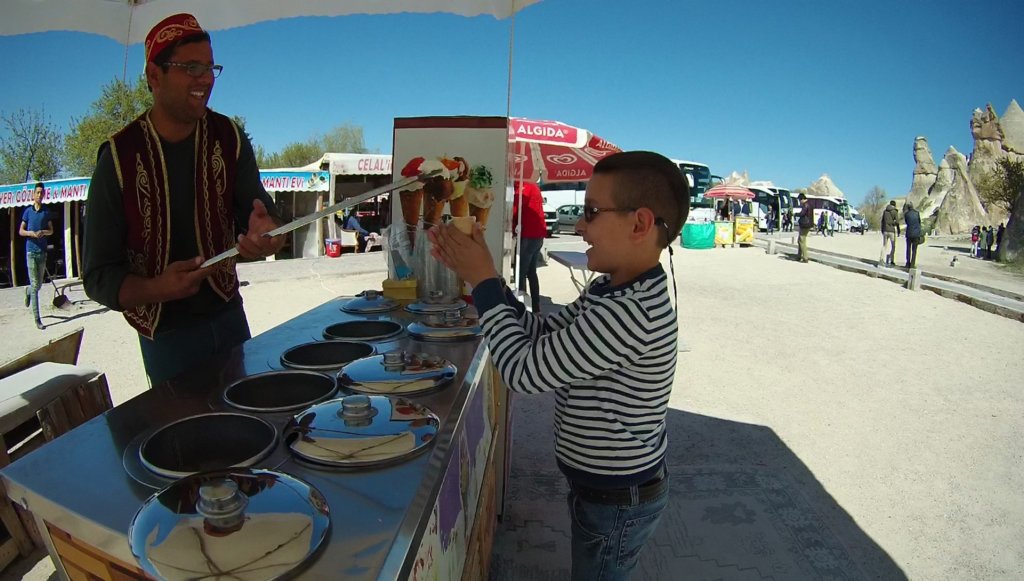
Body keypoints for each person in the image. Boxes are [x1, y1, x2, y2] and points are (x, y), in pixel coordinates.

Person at [428, 151, 688, 580]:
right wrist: (488, 278)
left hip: (618, 500)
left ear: (640, 223)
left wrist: (483, 283)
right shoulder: (608, 289)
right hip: (602, 491)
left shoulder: (629, 313)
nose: (580, 226)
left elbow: (523, 372)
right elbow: (541, 333)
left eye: (591, 212)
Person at [83, 13, 284, 386]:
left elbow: (263, 216)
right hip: (166, 337)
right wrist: (158, 288)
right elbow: (97, 276)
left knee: (245, 425)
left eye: (210, 67)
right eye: (191, 67)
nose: (206, 79)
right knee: (186, 437)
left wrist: (268, 233)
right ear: (154, 76)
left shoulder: (229, 137)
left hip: (229, 315)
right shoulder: (118, 158)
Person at [20, 182, 53, 330]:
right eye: (37, 192)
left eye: (41, 192)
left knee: (38, 285)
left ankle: (27, 291)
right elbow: (21, 231)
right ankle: (37, 318)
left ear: (44, 194)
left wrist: (43, 232)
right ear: (33, 195)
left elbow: (51, 230)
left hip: (42, 252)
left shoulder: (46, 212)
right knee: (35, 285)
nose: (39, 195)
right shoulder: (27, 212)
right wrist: (31, 234)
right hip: (30, 252)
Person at [512, 180, 547, 313]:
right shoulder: (533, 187)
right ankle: (536, 308)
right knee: (531, 272)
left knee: (519, 273)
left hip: (528, 234)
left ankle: (522, 309)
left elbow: (514, 211)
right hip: (539, 234)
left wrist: (510, 228)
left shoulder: (519, 189)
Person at [879, 200, 900, 266]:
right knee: (893, 246)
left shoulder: (885, 211)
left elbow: (882, 221)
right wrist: (898, 230)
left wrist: (882, 230)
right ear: (894, 205)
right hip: (891, 231)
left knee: (884, 245)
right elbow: (897, 222)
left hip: (885, 230)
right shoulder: (895, 211)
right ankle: (891, 260)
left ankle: (881, 259)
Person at [903, 201, 922, 268]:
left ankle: (908, 263)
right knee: (914, 250)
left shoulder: (906, 214)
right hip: (916, 234)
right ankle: (912, 264)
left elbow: (907, 222)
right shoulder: (917, 213)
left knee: (908, 249)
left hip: (909, 233)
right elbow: (919, 223)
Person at [797, 194, 813, 262]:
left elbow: (802, 213)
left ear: (802, 199)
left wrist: (796, 214)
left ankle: (805, 257)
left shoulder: (806, 205)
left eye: (799, 200)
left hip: (805, 224)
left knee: (801, 240)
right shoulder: (810, 204)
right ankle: (799, 255)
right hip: (808, 224)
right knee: (801, 240)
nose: (800, 202)